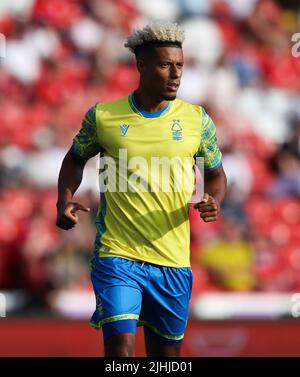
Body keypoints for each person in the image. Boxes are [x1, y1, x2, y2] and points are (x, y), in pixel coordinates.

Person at [56, 22, 227, 357]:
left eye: (180, 65)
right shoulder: (104, 116)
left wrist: (213, 199)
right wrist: (64, 200)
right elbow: (74, 160)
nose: (175, 74)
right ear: (142, 65)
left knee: (165, 362)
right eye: (165, 65)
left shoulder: (196, 119)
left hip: (173, 262)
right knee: (120, 351)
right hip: (118, 255)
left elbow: (217, 174)